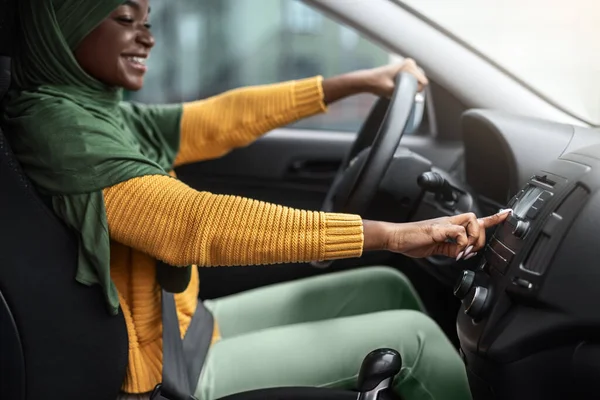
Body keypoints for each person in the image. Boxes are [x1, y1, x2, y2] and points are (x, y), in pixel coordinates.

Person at [2, 0, 510, 399]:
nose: (148, 37)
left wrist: (351, 83)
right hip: (161, 372)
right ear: (69, 24)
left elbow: (217, 119)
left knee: (386, 286)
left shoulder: (98, 111)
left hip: (180, 329)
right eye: (124, 18)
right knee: (412, 338)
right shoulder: (60, 127)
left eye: (149, 19)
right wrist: (391, 234)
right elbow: (190, 223)